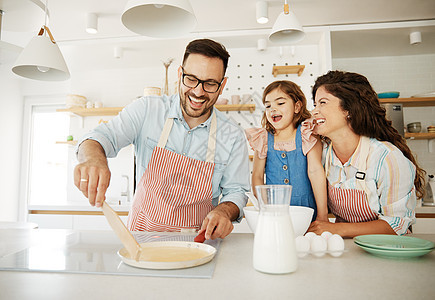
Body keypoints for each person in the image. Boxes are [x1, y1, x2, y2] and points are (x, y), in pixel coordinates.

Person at [74, 39, 250, 240]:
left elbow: (237, 191)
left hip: (197, 246)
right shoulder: (147, 109)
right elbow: (98, 137)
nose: (198, 92)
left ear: (222, 85)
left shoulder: (232, 135)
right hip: (142, 242)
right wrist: (93, 159)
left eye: (210, 84)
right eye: (191, 79)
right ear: (179, 74)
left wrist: (224, 211)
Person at [308, 70, 426, 237]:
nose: (314, 112)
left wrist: (336, 229)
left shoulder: (387, 158)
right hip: (348, 249)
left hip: (387, 251)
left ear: (348, 109)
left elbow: (397, 224)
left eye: (323, 103)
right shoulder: (323, 156)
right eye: (315, 104)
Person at [245, 81, 328, 221]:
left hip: (306, 210)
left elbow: (315, 171)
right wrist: (263, 207)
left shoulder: (307, 134)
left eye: (280, 103)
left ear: (297, 106)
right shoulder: (263, 139)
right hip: (274, 212)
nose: (273, 109)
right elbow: (257, 176)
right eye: (268, 105)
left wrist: (322, 215)